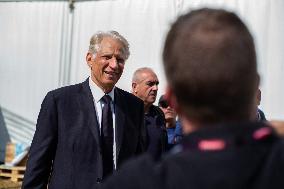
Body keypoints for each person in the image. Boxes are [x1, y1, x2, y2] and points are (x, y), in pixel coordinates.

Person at [102, 9, 284, 189]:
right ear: (255, 88)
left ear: (172, 99)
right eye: (150, 84)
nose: (154, 89)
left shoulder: (134, 182)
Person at [22, 31, 147, 189]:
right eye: (107, 57)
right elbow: (38, 165)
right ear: (90, 59)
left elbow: (138, 164)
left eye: (120, 60)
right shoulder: (59, 102)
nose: (114, 65)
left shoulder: (134, 107)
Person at [132, 67, 168, 161]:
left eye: (157, 84)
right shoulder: (124, 112)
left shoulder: (159, 113)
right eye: (150, 84)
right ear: (135, 87)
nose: (155, 88)